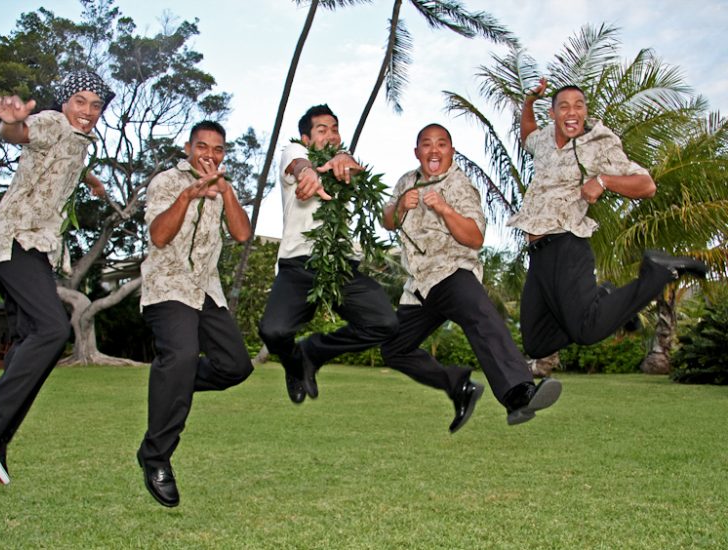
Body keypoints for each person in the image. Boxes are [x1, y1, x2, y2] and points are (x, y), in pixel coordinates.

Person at [0, 71, 114, 490]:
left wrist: (93, 181)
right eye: (80, 101)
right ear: (65, 102)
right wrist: (11, 122)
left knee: (35, 345)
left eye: (96, 105)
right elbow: (24, 133)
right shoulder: (53, 122)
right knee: (52, 329)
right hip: (15, 240)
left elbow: (67, 168)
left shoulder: (80, 144)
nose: (88, 112)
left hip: (33, 249)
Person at [511, 78, 707, 360]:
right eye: (564, 107)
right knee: (536, 343)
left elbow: (646, 185)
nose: (572, 112)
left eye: (579, 106)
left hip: (566, 244)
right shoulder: (543, 140)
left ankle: (660, 271)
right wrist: (529, 101)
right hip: (538, 254)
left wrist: (603, 181)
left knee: (587, 331)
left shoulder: (597, 144)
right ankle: (603, 296)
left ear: (585, 112)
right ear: (552, 114)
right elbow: (527, 135)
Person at [381, 124, 561, 430]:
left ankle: (519, 394)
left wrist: (445, 210)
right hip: (419, 287)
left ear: (451, 151)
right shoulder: (406, 181)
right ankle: (459, 384)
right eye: (426, 144)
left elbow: (475, 238)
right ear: (417, 152)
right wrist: (399, 206)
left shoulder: (460, 185)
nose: (434, 150)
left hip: (452, 273)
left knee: (481, 316)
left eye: (441, 144)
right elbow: (388, 221)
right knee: (393, 348)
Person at [136, 120, 253, 508]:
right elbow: (158, 236)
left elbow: (241, 234)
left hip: (206, 289)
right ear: (188, 148)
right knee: (183, 356)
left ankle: (174, 380)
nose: (210, 155)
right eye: (202, 146)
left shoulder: (223, 187)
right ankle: (156, 458)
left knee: (236, 366)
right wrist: (186, 196)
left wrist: (228, 193)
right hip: (168, 285)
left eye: (218, 149)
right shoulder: (167, 181)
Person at [258, 104, 398, 403]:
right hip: (299, 265)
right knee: (273, 331)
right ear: (307, 138)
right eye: (322, 130)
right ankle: (295, 364)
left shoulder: (348, 168)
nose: (331, 135)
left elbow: (348, 166)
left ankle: (313, 351)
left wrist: (345, 159)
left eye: (335, 129)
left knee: (385, 323)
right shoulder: (293, 149)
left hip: (343, 266)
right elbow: (296, 163)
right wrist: (307, 172)